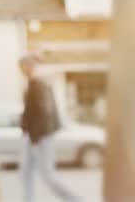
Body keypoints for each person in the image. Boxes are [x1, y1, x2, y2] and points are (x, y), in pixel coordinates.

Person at [19, 54, 80, 202]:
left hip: (40, 136)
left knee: (48, 176)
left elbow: (45, 111)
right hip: (33, 136)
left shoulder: (39, 84)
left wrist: (35, 137)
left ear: (29, 66)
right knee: (25, 171)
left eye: (22, 66)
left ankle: (76, 199)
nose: (21, 70)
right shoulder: (34, 83)